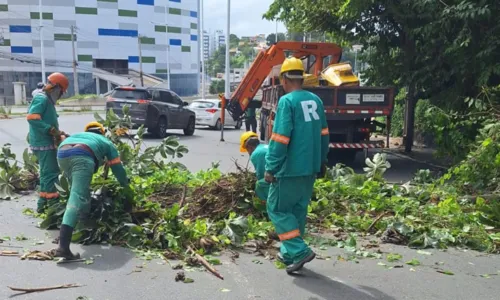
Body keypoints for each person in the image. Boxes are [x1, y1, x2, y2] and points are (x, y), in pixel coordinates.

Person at [264, 57, 330, 274]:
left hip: (289, 169)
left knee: (277, 209)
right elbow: (323, 135)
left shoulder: (287, 102)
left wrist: (271, 167)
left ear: (284, 79)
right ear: (301, 77)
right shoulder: (316, 101)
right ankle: (290, 252)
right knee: (297, 211)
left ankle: (300, 251)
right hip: (309, 168)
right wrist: (321, 161)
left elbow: (281, 138)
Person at [48, 122, 133, 259]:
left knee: (77, 191)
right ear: (102, 132)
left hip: (62, 153)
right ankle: (63, 247)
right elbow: (117, 169)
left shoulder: (79, 135)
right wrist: (126, 186)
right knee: (76, 197)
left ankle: (82, 220)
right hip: (82, 155)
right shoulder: (106, 141)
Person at [27, 73, 69, 213]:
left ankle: (43, 204)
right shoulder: (42, 98)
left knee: (46, 173)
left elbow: (46, 119)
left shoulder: (46, 100)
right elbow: (32, 118)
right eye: (61, 92)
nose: (61, 95)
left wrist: (58, 132)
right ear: (56, 88)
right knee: (51, 173)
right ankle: (52, 206)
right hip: (43, 142)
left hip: (45, 141)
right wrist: (50, 130)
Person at [240, 131, 269, 203]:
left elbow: (261, 175)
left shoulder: (256, 154)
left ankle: (266, 205)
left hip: (281, 177)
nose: (248, 153)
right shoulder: (264, 146)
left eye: (247, 150)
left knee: (259, 184)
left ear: (249, 147)